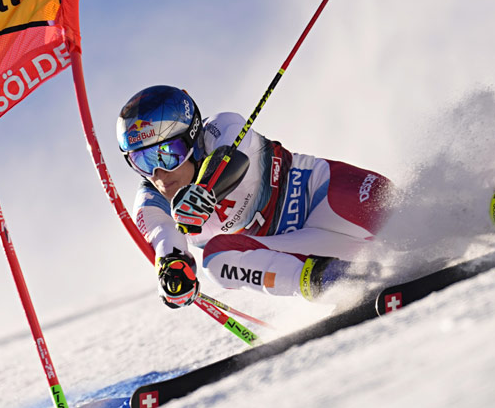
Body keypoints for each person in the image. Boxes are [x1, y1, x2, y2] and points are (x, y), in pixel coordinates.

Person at [117, 85, 393, 309]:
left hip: (323, 194)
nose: (160, 173)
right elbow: (165, 238)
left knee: (401, 221)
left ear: (191, 137)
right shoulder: (152, 201)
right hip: (301, 247)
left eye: (168, 153)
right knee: (217, 260)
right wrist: (174, 271)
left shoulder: (221, 128)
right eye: (142, 161)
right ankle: (339, 284)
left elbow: (231, 159)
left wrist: (205, 191)